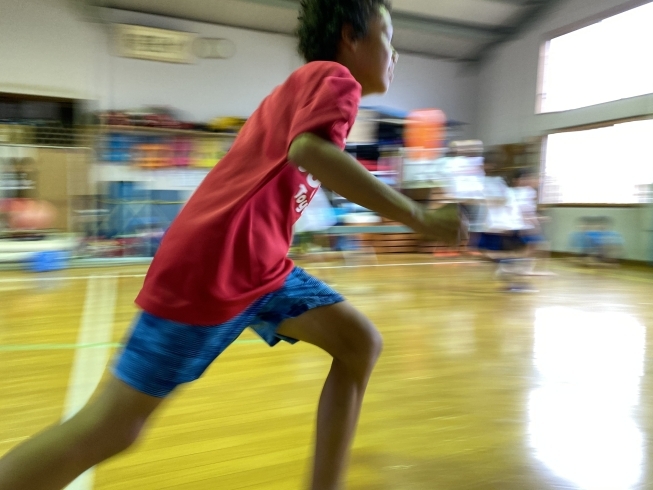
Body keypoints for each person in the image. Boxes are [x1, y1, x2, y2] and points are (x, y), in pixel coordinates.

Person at [0, 1, 465, 489]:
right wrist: (420, 217)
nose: (396, 54)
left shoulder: (305, 87)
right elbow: (310, 151)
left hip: (261, 268)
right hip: (214, 266)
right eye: (388, 37)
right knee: (113, 427)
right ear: (351, 36)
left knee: (359, 343)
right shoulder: (334, 78)